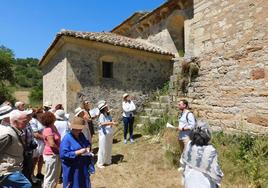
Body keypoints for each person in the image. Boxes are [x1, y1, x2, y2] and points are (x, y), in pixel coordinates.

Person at [180, 121, 224, 188]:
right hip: (204, 184)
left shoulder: (189, 145)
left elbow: (183, 163)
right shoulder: (210, 150)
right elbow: (216, 173)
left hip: (189, 183)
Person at [0, 110, 32, 187]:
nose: (27, 123)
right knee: (27, 186)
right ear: (15, 122)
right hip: (8, 171)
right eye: (24, 121)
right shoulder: (8, 134)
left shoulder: (16, 132)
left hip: (14, 169)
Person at [60, 117, 94, 188]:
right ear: (73, 128)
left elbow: (86, 143)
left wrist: (87, 147)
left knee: (83, 182)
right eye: (77, 129)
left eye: (80, 129)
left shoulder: (81, 135)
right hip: (72, 168)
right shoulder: (67, 138)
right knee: (74, 184)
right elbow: (63, 154)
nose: (79, 131)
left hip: (82, 166)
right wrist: (78, 152)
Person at [41, 112, 61, 188]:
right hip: (51, 155)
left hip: (56, 154)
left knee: (55, 176)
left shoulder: (53, 127)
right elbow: (51, 144)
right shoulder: (48, 129)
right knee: (50, 176)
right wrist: (60, 150)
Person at [97, 101, 117, 168]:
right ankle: (100, 163)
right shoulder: (101, 115)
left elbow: (111, 122)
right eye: (106, 107)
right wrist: (111, 123)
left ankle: (107, 161)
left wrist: (112, 123)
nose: (107, 107)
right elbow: (102, 123)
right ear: (103, 108)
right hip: (103, 134)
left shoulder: (108, 115)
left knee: (108, 147)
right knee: (102, 147)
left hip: (109, 133)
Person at [54, 109, 69, 184]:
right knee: (64, 160)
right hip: (65, 143)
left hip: (57, 143)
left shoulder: (55, 123)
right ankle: (62, 176)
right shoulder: (66, 123)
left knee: (57, 161)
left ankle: (58, 177)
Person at [30, 108, 45, 181]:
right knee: (35, 159)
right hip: (36, 142)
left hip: (42, 142)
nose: (42, 113)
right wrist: (46, 138)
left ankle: (39, 173)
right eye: (41, 112)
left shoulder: (42, 120)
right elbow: (35, 134)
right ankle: (31, 174)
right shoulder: (33, 121)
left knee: (41, 158)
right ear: (37, 113)